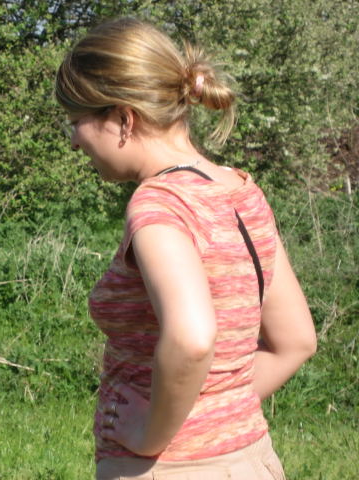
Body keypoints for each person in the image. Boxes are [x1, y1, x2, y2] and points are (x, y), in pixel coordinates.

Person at [54, 17, 317, 480]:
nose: (74, 141)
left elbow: (192, 337)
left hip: (169, 469)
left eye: (77, 122)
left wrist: (151, 434)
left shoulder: (158, 204)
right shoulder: (240, 191)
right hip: (252, 462)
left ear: (123, 118)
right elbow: (295, 341)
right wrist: (212, 415)